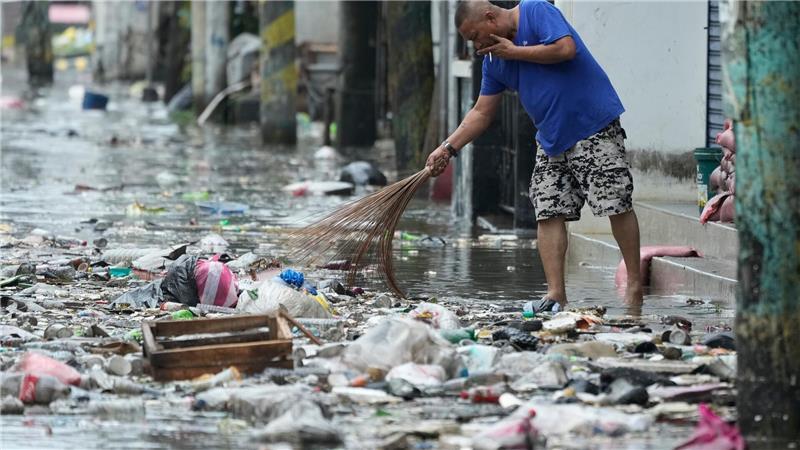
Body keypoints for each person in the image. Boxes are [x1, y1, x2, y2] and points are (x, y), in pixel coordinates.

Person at [426, 0, 643, 311]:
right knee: (547, 209)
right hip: (551, 139)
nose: (475, 45)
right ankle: (555, 295)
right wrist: (448, 148)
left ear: (490, 17)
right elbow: (481, 113)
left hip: (592, 125)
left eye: (475, 36)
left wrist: (514, 52)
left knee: (614, 203)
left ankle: (634, 285)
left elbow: (565, 48)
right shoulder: (493, 62)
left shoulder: (535, 11)